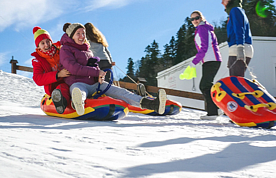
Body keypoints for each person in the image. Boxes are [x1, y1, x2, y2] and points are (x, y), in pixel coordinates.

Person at [59, 23, 167, 116]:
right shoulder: (65, 49)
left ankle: (152, 104)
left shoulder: (87, 50)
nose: (82, 36)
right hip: (77, 83)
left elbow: (94, 66)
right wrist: (97, 72)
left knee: (120, 91)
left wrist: (99, 76)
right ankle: (78, 104)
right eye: (78, 33)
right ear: (71, 35)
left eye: (83, 33)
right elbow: (73, 68)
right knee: (79, 91)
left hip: (94, 84)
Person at [189, 11, 222, 120]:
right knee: (207, 85)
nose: (195, 20)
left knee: (205, 85)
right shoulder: (202, 28)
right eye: (192, 19)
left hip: (211, 60)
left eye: (197, 18)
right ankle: (216, 109)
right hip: (209, 60)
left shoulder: (203, 28)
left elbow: (204, 47)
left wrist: (194, 61)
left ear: (201, 18)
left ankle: (213, 112)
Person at [31, 26, 71, 114]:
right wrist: (58, 74)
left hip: (70, 78)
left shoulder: (60, 50)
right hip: (53, 86)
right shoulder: (37, 60)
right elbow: (38, 78)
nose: (46, 45)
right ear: (38, 46)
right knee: (63, 87)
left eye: (48, 41)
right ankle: (61, 102)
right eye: (42, 43)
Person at [222, 0, 254, 77]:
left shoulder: (235, 10)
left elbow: (239, 29)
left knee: (235, 81)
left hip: (239, 46)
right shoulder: (236, 11)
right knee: (236, 79)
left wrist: (240, 48)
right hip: (238, 47)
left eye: (223, 0)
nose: (222, 2)